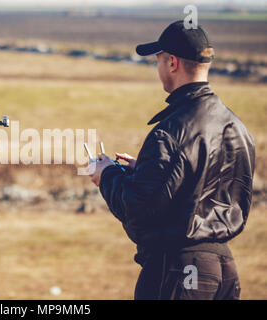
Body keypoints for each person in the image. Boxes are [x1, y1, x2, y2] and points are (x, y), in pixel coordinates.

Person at [88, 20, 255, 300]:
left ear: (172, 63)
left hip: (179, 272)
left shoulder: (171, 131)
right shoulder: (236, 126)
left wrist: (106, 174)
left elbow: (137, 207)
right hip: (225, 270)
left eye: (159, 61)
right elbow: (200, 185)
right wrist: (141, 171)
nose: (159, 69)